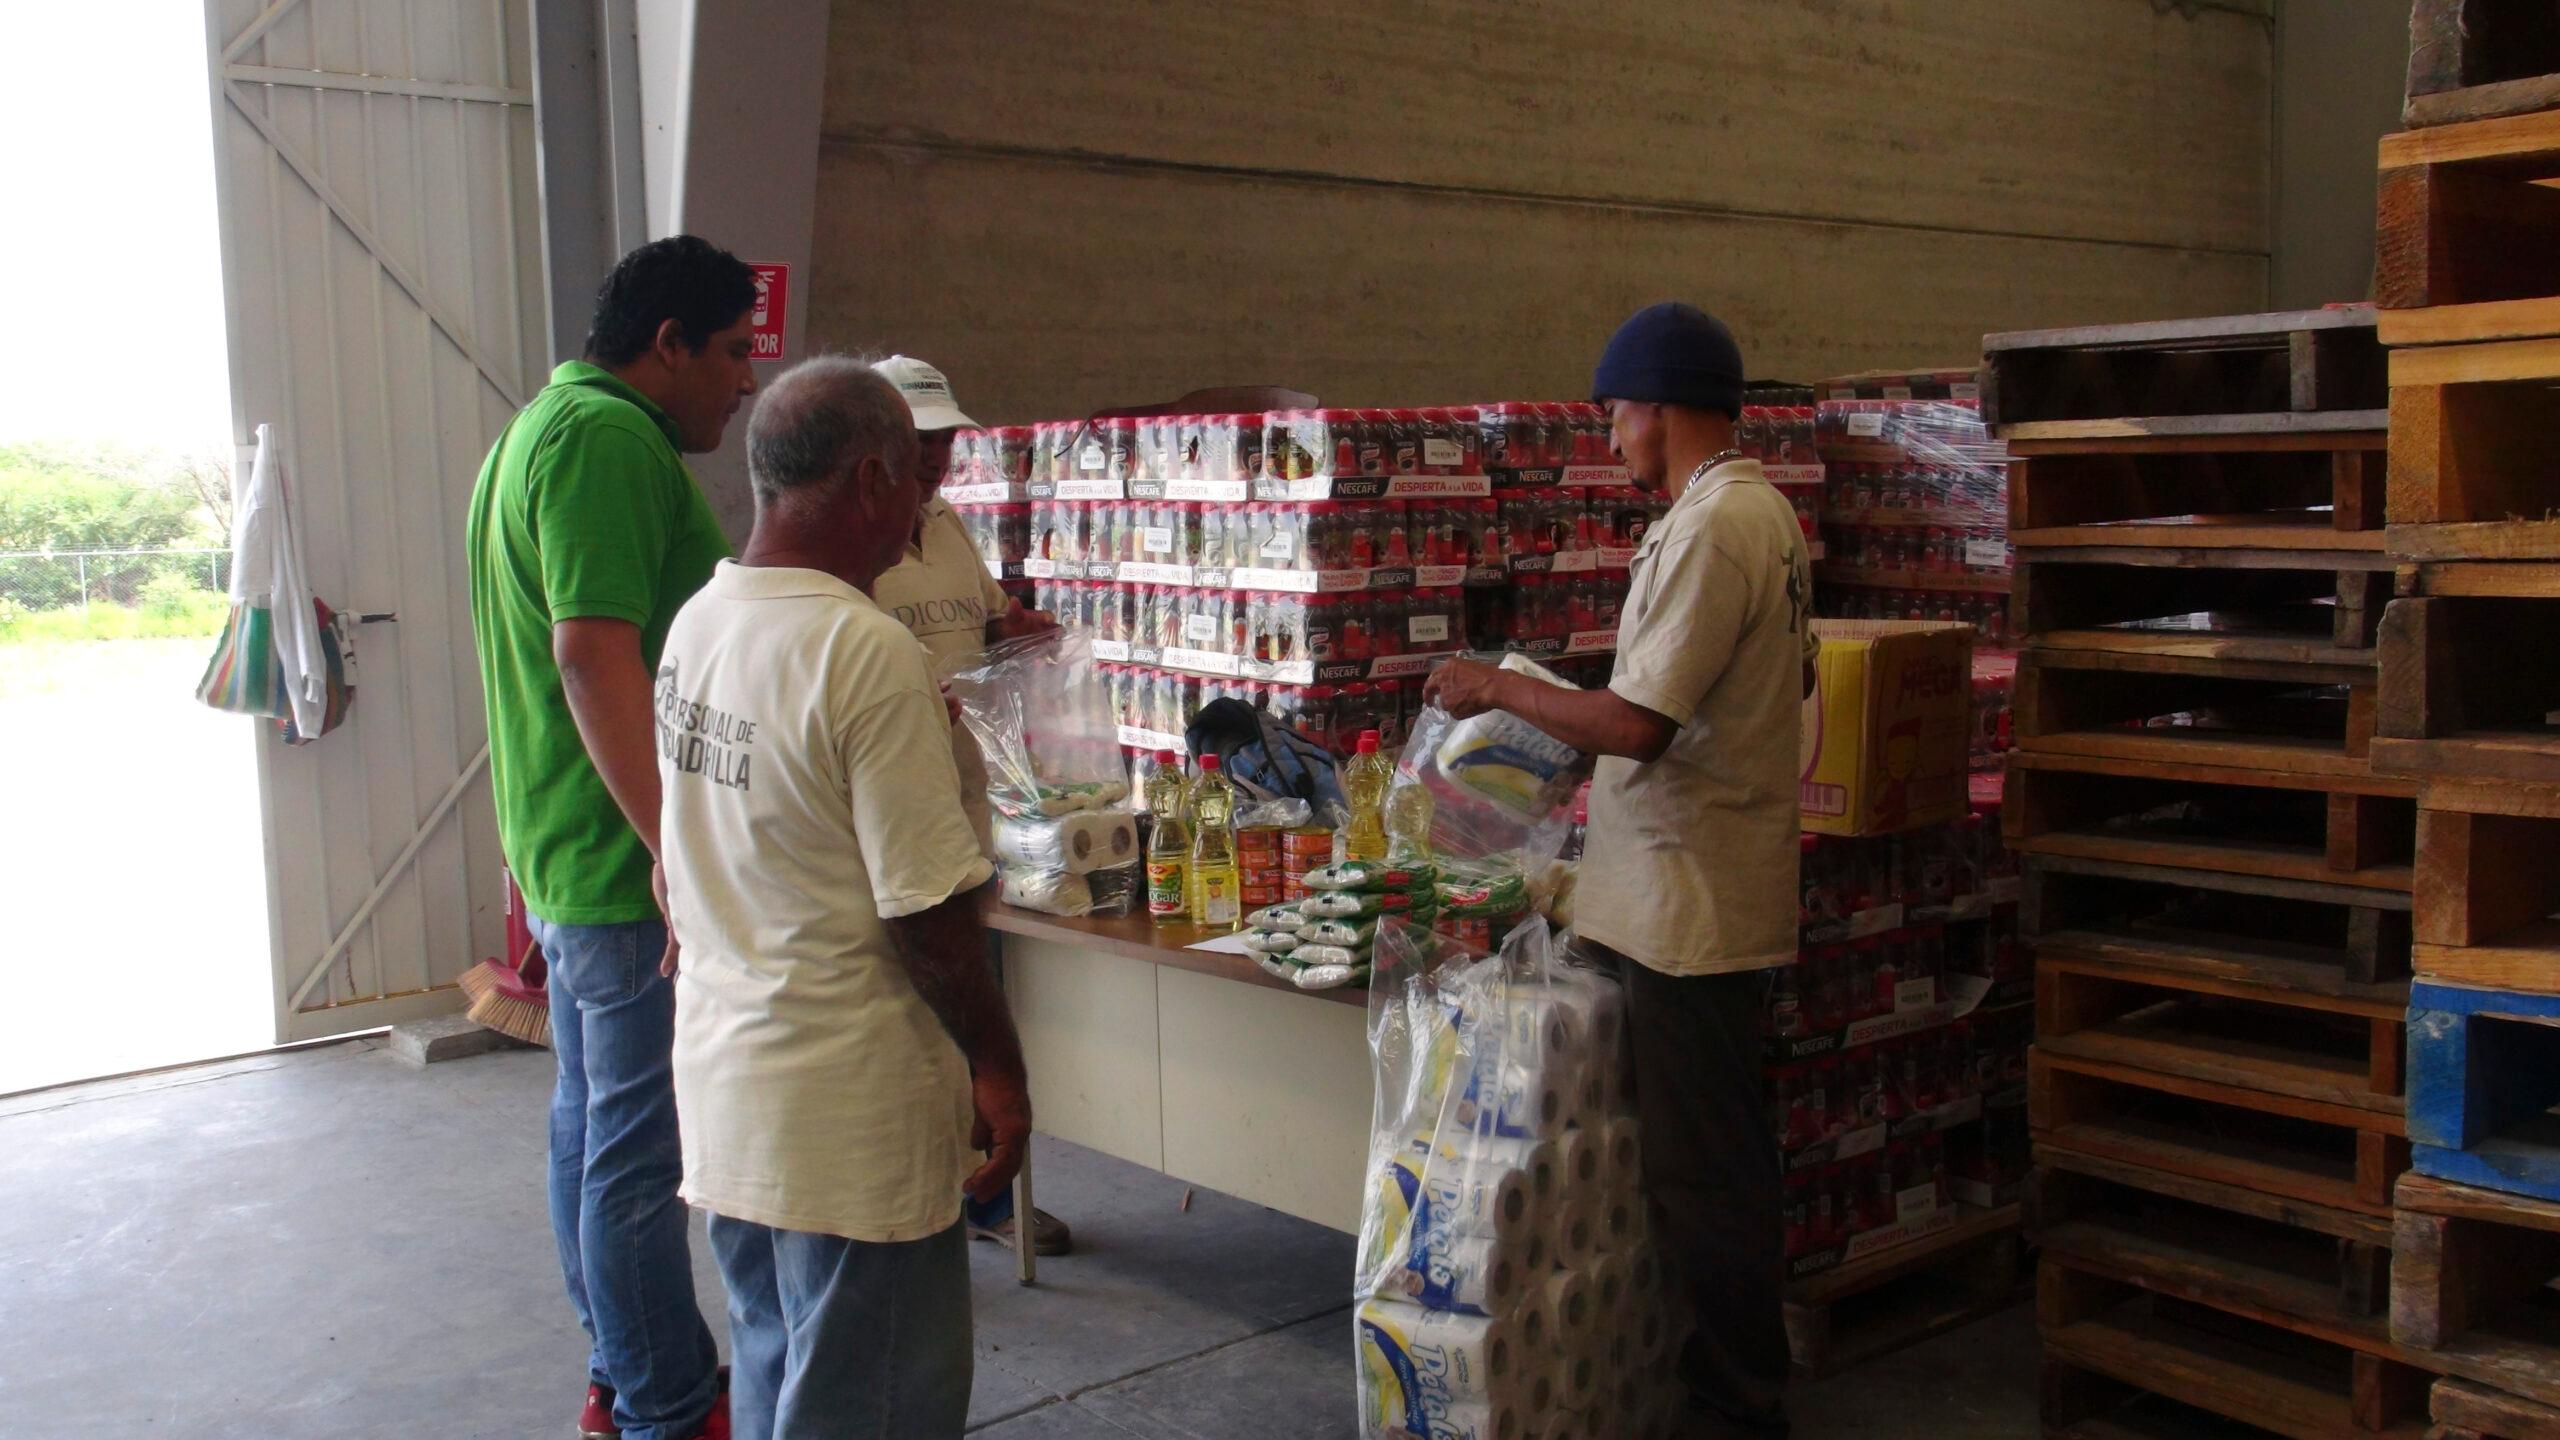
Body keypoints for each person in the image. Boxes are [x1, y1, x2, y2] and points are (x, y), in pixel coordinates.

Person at [1424, 302, 1815, 1440]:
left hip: (1691, 904)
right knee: (1702, 1157)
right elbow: (1775, 688)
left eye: (1615, 416)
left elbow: (1640, 724)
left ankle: (1740, 1400)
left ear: (1661, 407)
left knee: (1705, 1171)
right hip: (1688, 884)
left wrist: (1500, 687)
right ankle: (1714, 1373)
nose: (1608, 439)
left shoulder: (1714, 529)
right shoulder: (1757, 513)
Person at [654, 356, 1033, 1440]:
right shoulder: (861, 649)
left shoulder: (699, 624)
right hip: (850, 1119)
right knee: (872, 1404)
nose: (921, 509)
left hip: (733, 1098)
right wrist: (997, 1067)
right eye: (914, 478)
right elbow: (927, 917)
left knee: (779, 1374)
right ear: (871, 479)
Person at [467, 234, 759, 1440]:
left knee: (592, 1127)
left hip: (567, 846)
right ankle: (664, 1405)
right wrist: (673, 850)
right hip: (619, 862)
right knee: (636, 1155)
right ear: (668, 344)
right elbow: (591, 655)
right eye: (731, 352)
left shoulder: (536, 428)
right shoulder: (604, 440)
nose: (744, 383)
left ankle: (625, 1371)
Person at [867, 353, 1072, 1259]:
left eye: (945, 440)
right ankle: (921, 1199)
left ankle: (987, 1194)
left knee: (976, 998)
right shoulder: (851, 542)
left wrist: (1019, 632)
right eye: (919, 439)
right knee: (914, 1013)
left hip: (968, 804)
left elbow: (986, 620)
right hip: (894, 811)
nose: (935, 457)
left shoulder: (947, 523)